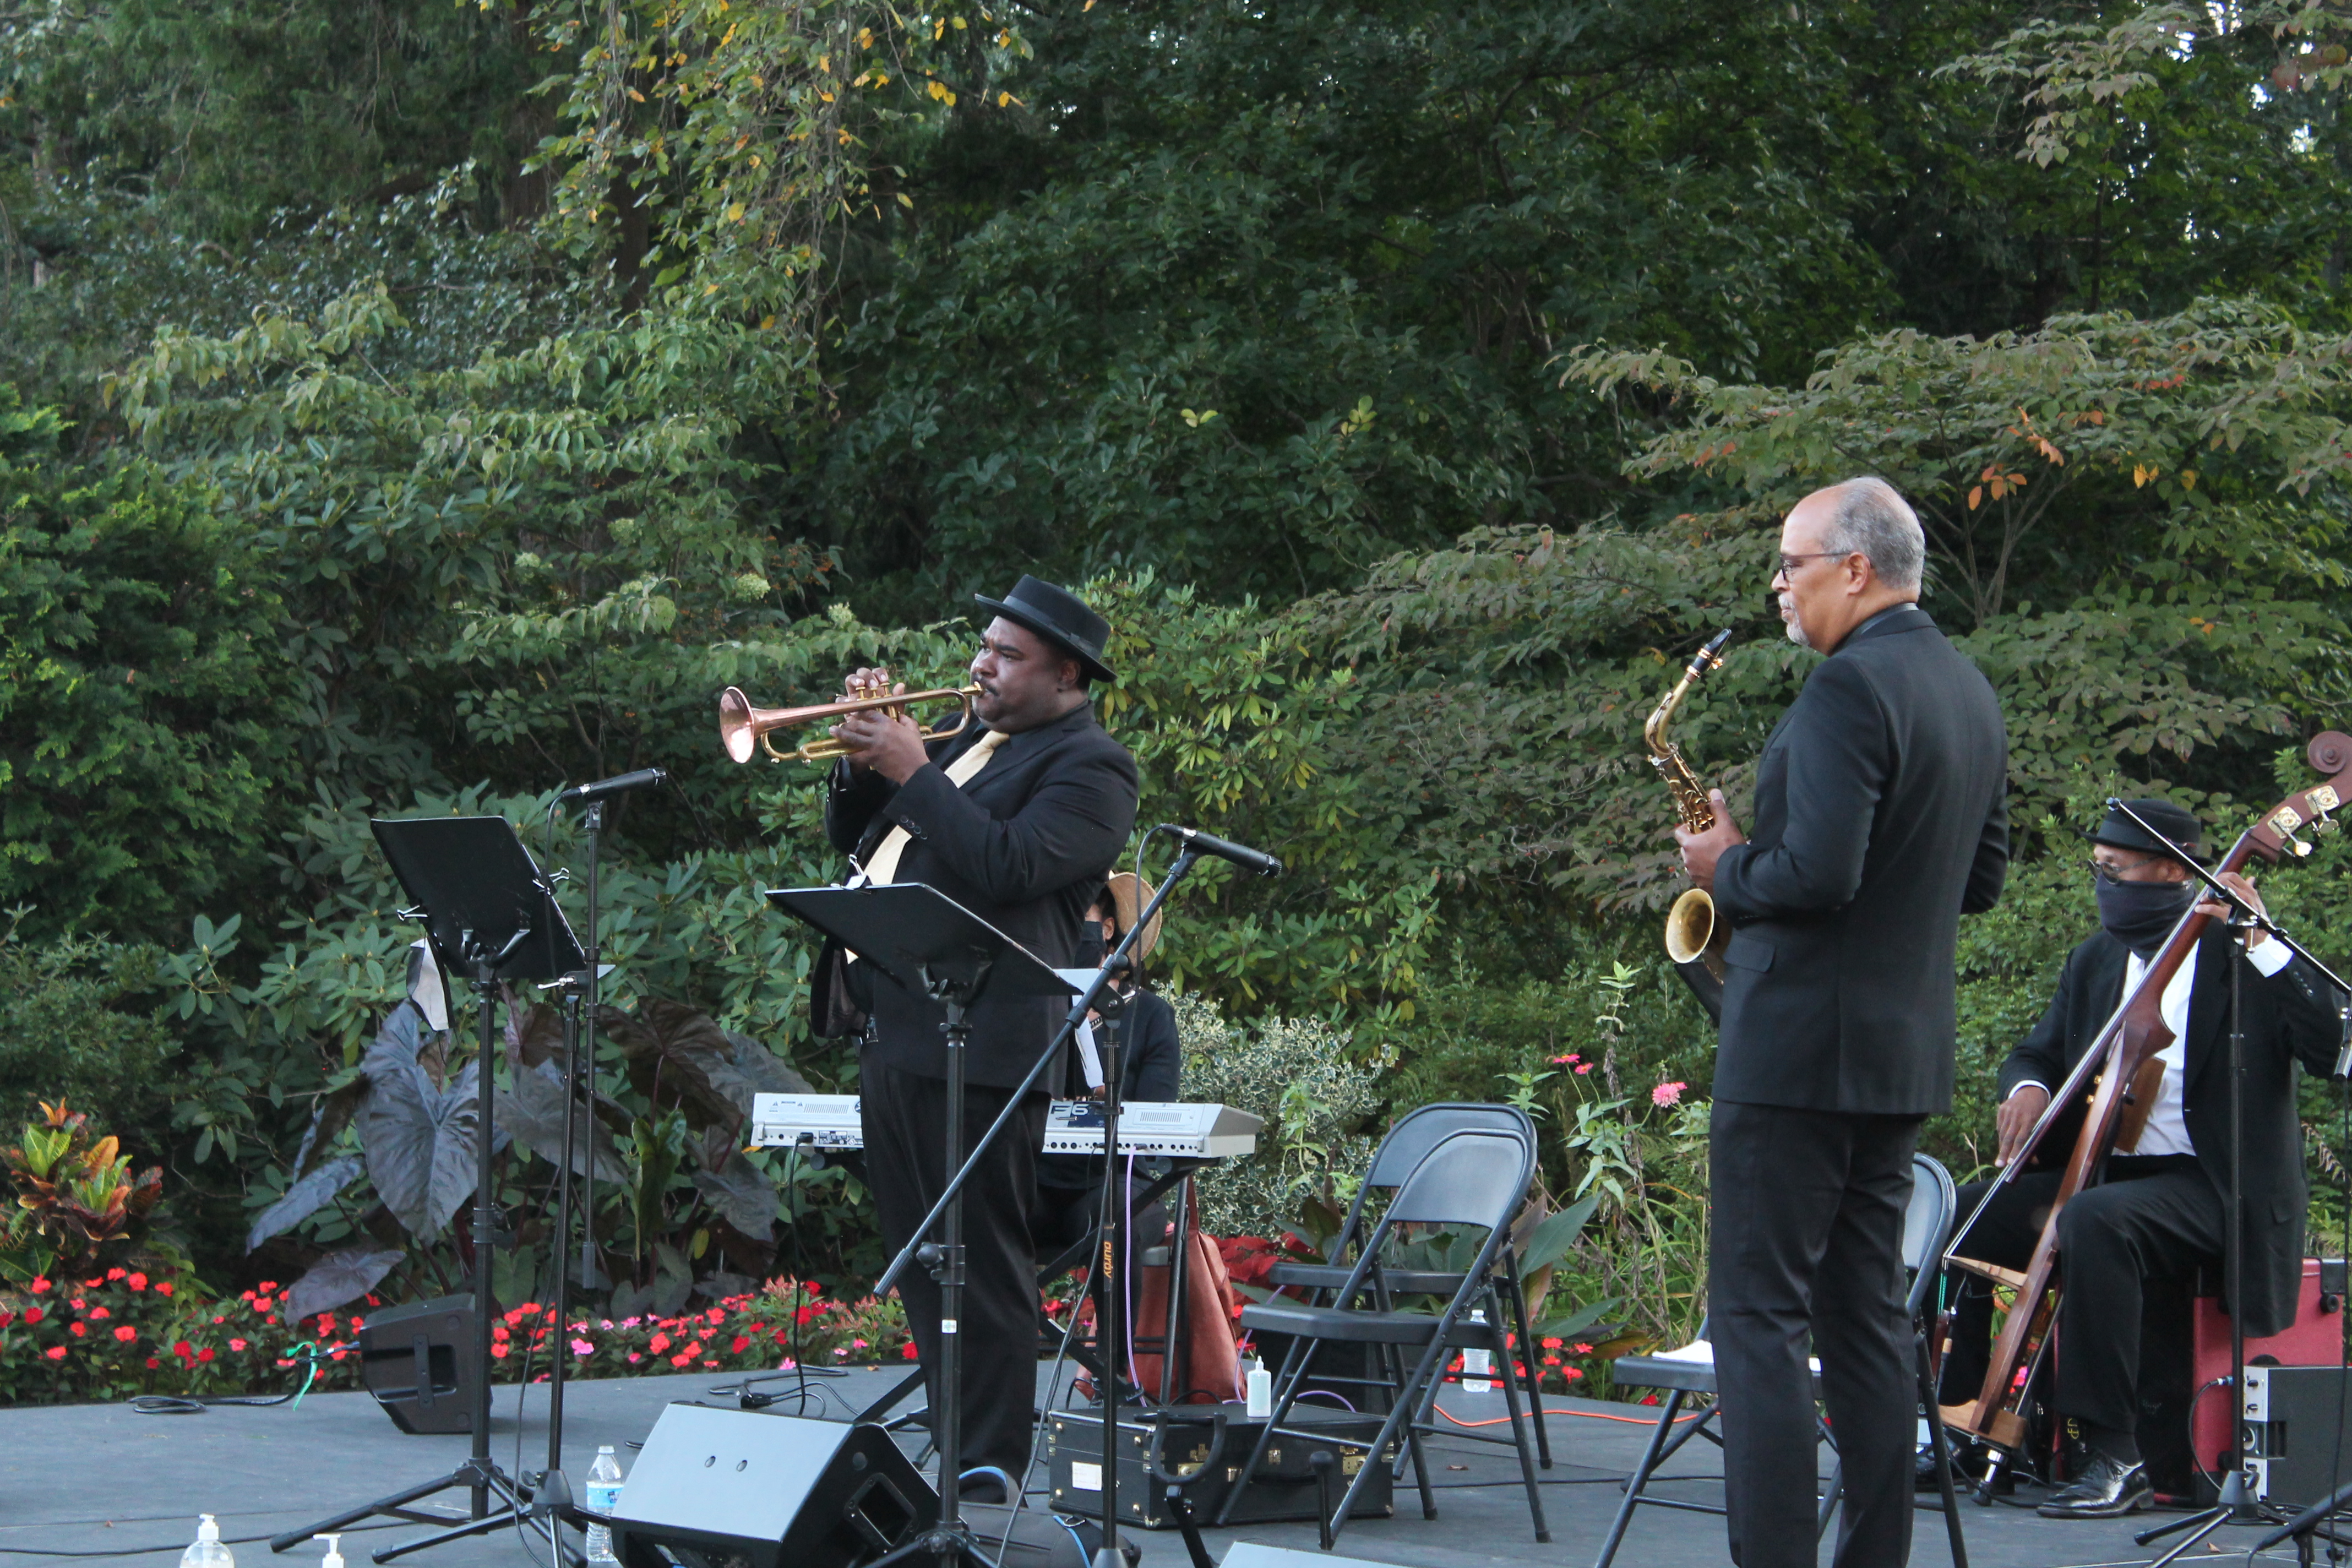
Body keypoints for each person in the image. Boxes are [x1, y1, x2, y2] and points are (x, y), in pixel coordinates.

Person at [1675, 476, 2010, 1568]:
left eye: (1793, 563)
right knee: (1866, 1322)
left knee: (1758, 1320)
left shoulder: (1843, 692)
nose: (1780, 585)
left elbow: (1814, 874)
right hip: (1897, 1054)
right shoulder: (1966, 689)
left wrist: (1726, 865)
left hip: (1796, 1053)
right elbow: (1983, 880)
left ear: (1856, 568)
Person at [820, 575, 1140, 1501]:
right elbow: (861, 839)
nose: (980, 664)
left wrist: (912, 768)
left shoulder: (1092, 766)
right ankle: (955, 1464)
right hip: (899, 1023)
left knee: (985, 1264)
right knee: (925, 1259)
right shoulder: (966, 740)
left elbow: (1011, 865)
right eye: (985, 644)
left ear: (1066, 672)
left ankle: (988, 1477)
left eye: (1007, 654)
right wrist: (859, 762)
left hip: (990, 1037)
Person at [1937, 799, 2345, 1518]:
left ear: (2170, 870)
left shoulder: (2241, 953)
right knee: (1957, 1212)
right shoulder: (2097, 960)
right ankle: (1950, 1421)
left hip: (2218, 1187)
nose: (2105, 889)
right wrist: (2027, 1086)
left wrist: (2266, 942)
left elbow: (2331, 1050)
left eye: (2116, 872)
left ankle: (2114, 1455)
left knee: (2095, 1221)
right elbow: (2038, 1050)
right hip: (2110, 1174)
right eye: (2099, 872)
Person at [1033, 872, 1182, 1258]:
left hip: (1116, 1181)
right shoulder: (1038, 1010)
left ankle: (1112, 1321)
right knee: (979, 1209)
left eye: (1079, 914)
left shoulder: (1151, 1016)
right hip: (1038, 1181)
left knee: (1118, 1220)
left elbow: (1155, 1118)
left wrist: (1110, 1097)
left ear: (1108, 928)